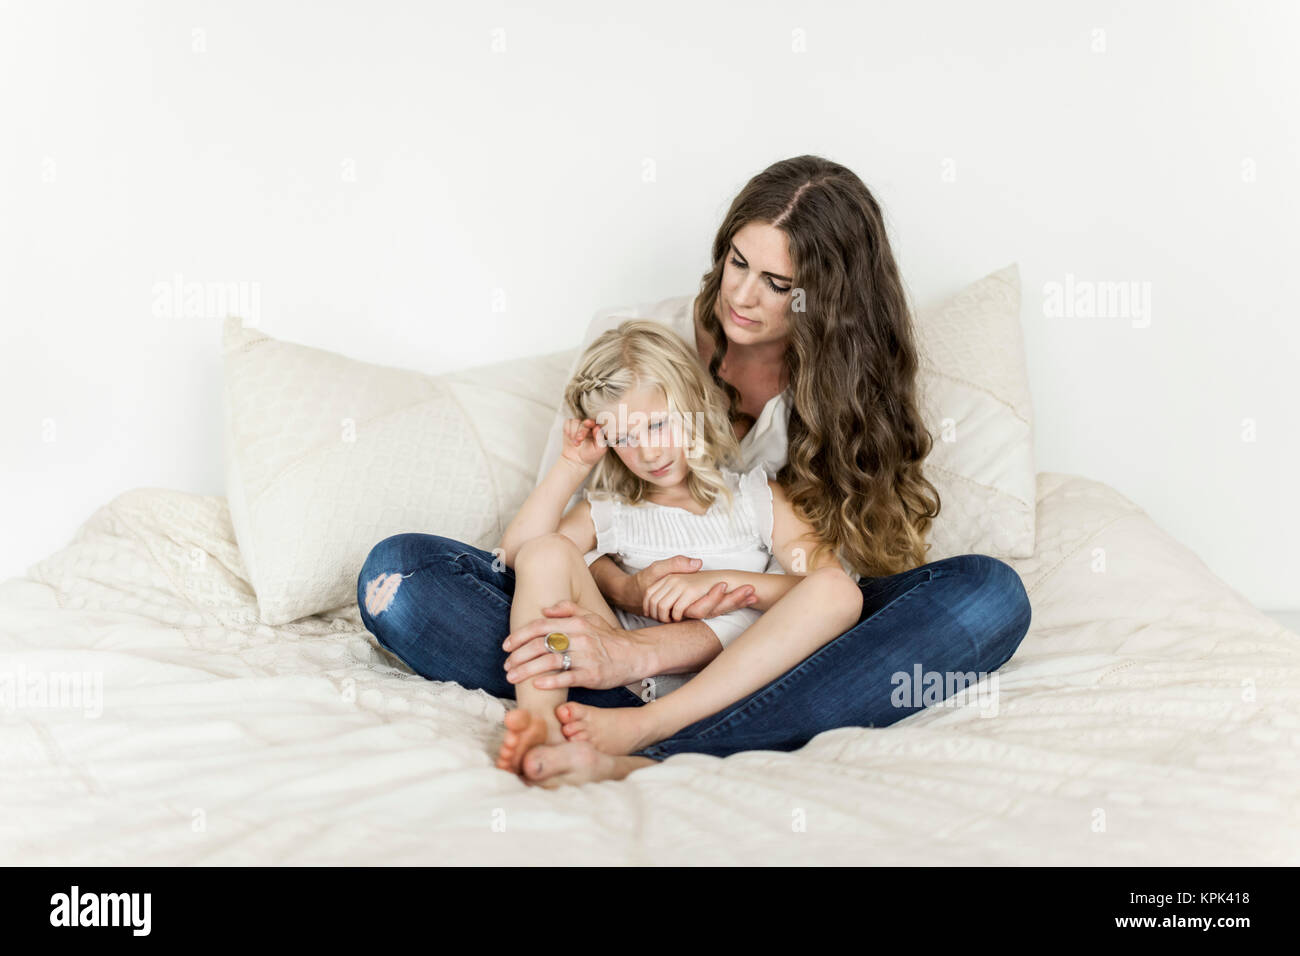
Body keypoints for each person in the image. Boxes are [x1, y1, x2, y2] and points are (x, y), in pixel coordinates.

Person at [358, 154, 1032, 789]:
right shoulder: (636, 339)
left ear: (825, 301)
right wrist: (629, 591)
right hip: (607, 633)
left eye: (777, 284)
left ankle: (652, 744)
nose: (740, 294)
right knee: (402, 579)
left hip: (771, 643)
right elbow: (551, 551)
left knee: (986, 595)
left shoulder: (845, 392)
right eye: (738, 261)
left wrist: (677, 630)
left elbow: (834, 586)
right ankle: (642, 723)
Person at [493, 320, 864, 776]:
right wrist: (572, 465)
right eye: (625, 438)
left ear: (691, 404)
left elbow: (828, 590)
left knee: (837, 591)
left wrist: (725, 583)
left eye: (656, 424)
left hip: (735, 680)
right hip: (625, 680)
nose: (647, 452)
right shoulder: (610, 509)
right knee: (546, 554)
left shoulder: (756, 498)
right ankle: (542, 728)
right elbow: (518, 554)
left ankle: (648, 741)